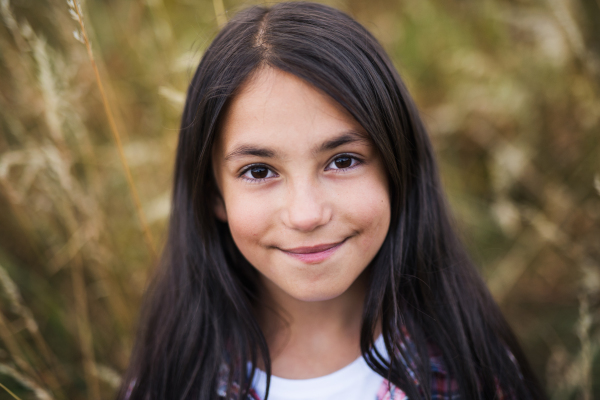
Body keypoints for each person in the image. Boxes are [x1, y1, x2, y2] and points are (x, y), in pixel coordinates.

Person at [117, 2, 547, 399]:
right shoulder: (171, 381)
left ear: (397, 169)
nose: (306, 215)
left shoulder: (469, 373)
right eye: (259, 171)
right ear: (214, 195)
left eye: (342, 160)